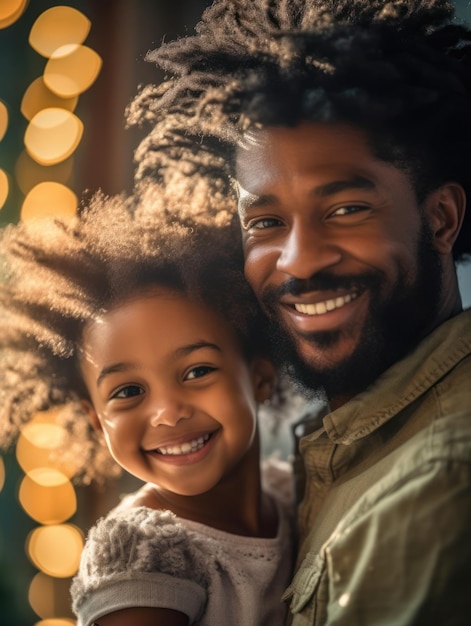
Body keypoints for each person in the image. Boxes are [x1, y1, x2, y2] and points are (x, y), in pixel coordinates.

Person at [125, 0, 471, 623]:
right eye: (265, 221)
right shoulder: (311, 462)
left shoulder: (440, 478)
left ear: (441, 219)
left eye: (345, 210)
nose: (300, 260)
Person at [0, 191, 296, 626]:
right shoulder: (143, 552)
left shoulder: (292, 491)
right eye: (127, 391)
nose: (168, 413)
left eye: (196, 372)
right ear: (96, 422)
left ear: (260, 378)